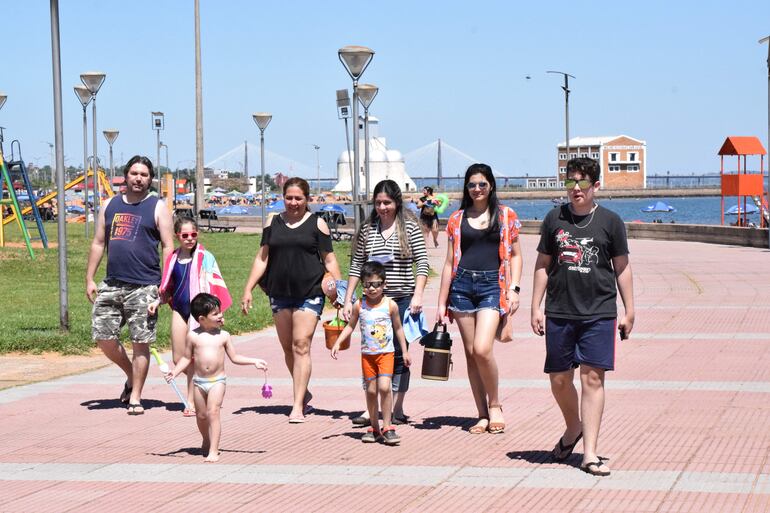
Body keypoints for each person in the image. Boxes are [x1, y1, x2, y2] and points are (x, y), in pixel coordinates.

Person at [530, 157, 635, 477]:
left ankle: (589, 453)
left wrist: (630, 309)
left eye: (583, 183)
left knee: (592, 378)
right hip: (560, 310)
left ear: (595, 186)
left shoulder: (611, 222)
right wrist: (535, 305)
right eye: (571, 182)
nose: (576, 188)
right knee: (559, 378)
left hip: (599, 312)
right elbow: (543, 265)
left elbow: (622, 267)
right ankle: (572, 426)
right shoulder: (553, 219)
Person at [241, 177, 343, 423]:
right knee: (288, 348)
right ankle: (303, 390)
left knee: (301, 345)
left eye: (299, 198)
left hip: (309, 292)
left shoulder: (317, 224)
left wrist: (340, 294)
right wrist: (248, 288)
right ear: (282, 197)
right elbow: (262, 258)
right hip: (279, 292)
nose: (294, 203)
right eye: (289, 198)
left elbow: (329, 260)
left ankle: (297, 405)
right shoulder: (272, 222)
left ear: (307, 199)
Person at [436, 163, 522, 435]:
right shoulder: (456, 219)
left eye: (482, 184)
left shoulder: (506, 216)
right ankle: (482, 414)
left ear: (491, 186)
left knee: (483, 349)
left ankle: (495, 404)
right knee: (471, 355)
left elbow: (517, 255)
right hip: (461, 287)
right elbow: (449, 262)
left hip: (491, 286)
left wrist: (514, 288)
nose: (476, 189)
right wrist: (441, 303)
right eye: (472, 184)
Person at [85, 155, 174, 415]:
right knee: (103, 337)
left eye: (144, 175)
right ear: (126, 176)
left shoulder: (157, 207)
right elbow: (98, 243)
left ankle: (136, 396)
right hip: (112, 282)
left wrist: (166, 284)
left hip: (145, 285)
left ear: (150, 179)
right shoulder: (109, 205)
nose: (139, 178)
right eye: (134, 173)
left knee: (140, 342)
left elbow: (169, 246)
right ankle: (130, 374)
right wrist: (90, 278)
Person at [342, 179, 429, 426]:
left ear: (397, 202)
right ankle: (372, 407)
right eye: (378, 203)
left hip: (400, 299)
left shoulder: (409, 228)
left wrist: (418, 294)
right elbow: (356, 265)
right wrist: (348, 299)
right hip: (372, 300)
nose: (382, 207)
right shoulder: (368, 230)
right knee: (373, 351)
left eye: (387, 202)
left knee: (399, 354)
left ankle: (396, 407)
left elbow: (422, 262)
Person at [165, 293, 268, 462]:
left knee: (213, 412)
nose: (220, 315)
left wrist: (254, 361)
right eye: (215, 313)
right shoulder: (193, 336)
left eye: (220, 312)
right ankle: (206, 438)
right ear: (202, 318)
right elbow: (185, 358)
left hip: (217, 381)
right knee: (201, 415)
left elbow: (235, 358)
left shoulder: (223, 336)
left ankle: (214, 449)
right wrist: (174, 372)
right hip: (198, 382)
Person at [156, 216, 232, 416]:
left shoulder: (205, 257)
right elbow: (169, 286)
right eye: (185, 235)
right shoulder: (173, 257)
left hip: (198, 314)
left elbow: (215, 285)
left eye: (193, 235)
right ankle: (196, 396)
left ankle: (191, 400)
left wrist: (216, 314)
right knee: (178, 357)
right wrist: (157, 301)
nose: (190, 239)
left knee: (193, 358)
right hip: (179, 309)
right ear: (177, 236)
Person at [332, 261, 411, 445]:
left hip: (386, 354)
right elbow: (351, 326)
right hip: (368, 356)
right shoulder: (360, 305)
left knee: (385, 387)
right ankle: (374, 427)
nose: (372, 289)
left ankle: (388, 426)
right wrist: (338, 342)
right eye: (367, 285)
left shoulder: (390, 305)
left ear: (384, 284)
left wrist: (405, 351)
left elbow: (399, 329)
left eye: (376, 284)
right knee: (371, 391)